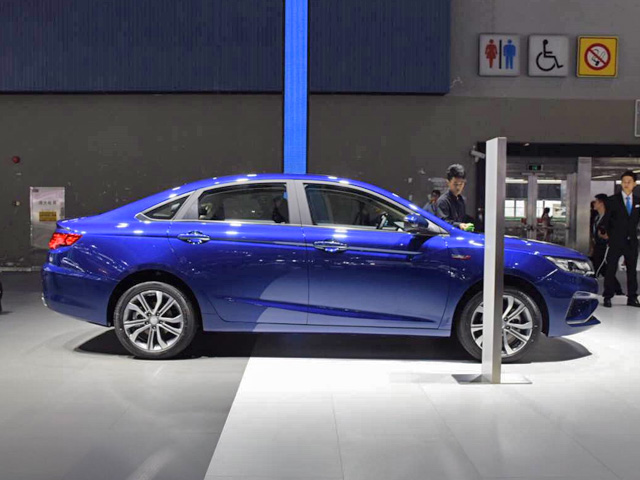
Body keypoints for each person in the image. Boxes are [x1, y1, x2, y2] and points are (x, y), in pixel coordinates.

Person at [601, 171, 640, 308]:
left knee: (632, 270)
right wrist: (606, 233)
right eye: (624, 182)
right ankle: (607, 296)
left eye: (629, 182)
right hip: (616, 240)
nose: (626, 184)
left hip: (632, 241)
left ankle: (632, 297)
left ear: (634, 184)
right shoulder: (612, 200)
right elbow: (606, 219)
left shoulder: (638, 201)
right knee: (611, 269)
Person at [591, 194, 622, 295]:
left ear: (601, 203)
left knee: (597, 268)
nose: (594, 204)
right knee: (604, 269)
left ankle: (591, 288)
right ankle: (617, 290)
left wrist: (608, 236)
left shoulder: (610, 218)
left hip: (606, 247)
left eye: (596, 202)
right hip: (598, 246)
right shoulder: (597, 217)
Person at [436, 164, 474, 231]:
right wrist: (459, 225)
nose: (458, 187)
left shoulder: (461, 200)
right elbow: (442, 223)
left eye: (461, 184)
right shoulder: (443, 201)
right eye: (455, 184)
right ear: (448, 182)